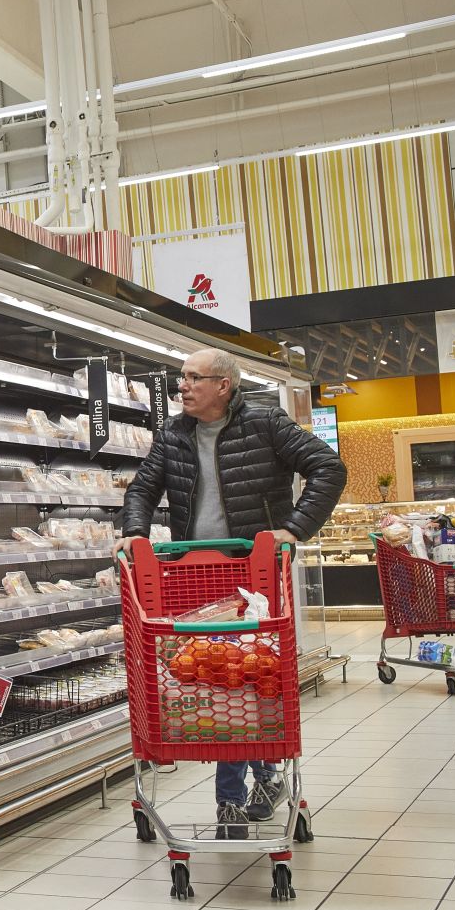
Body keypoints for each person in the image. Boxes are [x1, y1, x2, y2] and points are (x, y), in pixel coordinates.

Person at [120, 347, 347, 839]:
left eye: (192, 377)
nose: (181, 386)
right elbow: (141, 490)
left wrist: (293, 529)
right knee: (222, 679)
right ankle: (263, 776)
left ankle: (230, 801)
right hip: (195, 577)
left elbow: (329, 469)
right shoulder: (173, 435)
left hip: (255, 575)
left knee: (238, 681)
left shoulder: (267, 424)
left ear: (223, 385)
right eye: (180, 377)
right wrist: (136, 531)